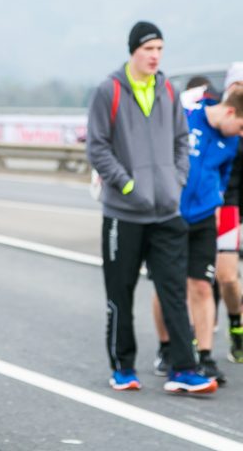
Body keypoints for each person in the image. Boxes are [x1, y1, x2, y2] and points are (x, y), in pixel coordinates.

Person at [87, 20, 217, 394]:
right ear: (134, 51)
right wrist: (128, 184)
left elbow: (180, 140)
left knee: (173, 289)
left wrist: (176, 179)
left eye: (159, 49)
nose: (155, 56)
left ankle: (184, 368)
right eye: (148, 49)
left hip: (166, 213)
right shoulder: (108, 91)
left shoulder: (168, 91)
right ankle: (123, 367)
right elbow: (97, 148)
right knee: (120, 292)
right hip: (123, 214)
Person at [151, 81, 243, 385]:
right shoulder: (187, 116)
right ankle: (166, 348)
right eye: (240, 125)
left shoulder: (231, 143)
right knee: (166, 286)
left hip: (204, 218)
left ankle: (204, 355)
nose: (241, 133)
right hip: (170, 214)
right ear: (230, 111)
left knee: (202, 286)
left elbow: (223, 177)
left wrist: (216, 207)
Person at [215, 63, 243, 364]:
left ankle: (236, 324)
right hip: (225, 208)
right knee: (226, 277)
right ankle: (234, 323)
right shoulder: (221, 120)